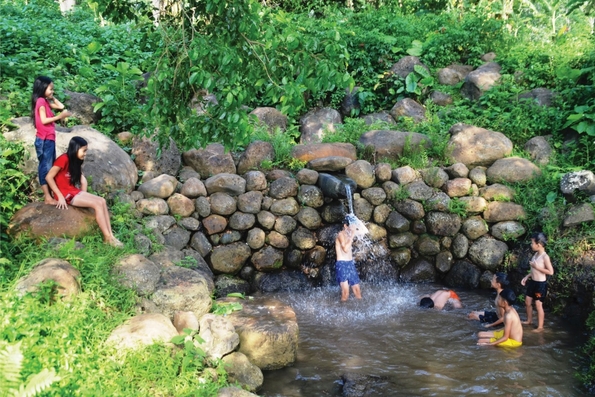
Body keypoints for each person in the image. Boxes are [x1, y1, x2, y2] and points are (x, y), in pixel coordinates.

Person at [45, 136, 123, 248]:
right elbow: (49, 177)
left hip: (73, 191)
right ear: (76, 148)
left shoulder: (75, 161)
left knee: (102, 201)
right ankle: (107, 237)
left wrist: (84, 197)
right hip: (65, 194)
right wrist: (59, 196)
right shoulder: (64, 159)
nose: (85, 153)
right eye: (84, 150)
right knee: (96, 204)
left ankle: (111, 236)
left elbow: (83, 181)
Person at [31, 76, 72, 204]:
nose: (52, 91)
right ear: (42, 88)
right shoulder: (40, 102)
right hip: (44, 139)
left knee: (50, 167)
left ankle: (50, 195)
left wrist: (51, 96)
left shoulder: (44, 101)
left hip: (49, 139)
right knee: (45, 167)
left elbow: (61, 106)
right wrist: (60, 116)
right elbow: (43, 120)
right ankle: (47, 197)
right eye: (50, 88)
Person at [521, 232, 554, 332]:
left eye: (532, 243)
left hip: (540, 285)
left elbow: (551, 272)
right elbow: (533, 271)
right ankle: (529, 320)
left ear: (538, 245)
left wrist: (537, 267)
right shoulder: (535, 254)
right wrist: (527, 276)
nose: (531, 245)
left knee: (538, 305)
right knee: (527, 302)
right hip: (533, 282)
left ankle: (540, 327)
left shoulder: (545, 257)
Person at [335, 215, 362, 301]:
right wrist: (352, 234)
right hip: (342, 264)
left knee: (357, 291)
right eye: (351, 226)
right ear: (345, 226)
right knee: (346, 292)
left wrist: (358, 226)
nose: (353, 228)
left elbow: (364, 232)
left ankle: (361, 310)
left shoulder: (350, 233)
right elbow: (345, 249)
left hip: (350, 264)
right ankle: (341, 312)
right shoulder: (340, 234)